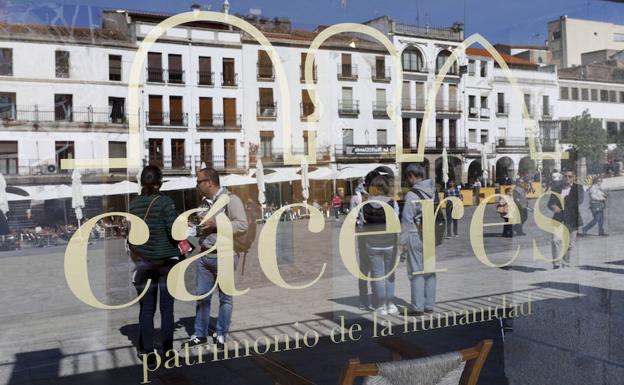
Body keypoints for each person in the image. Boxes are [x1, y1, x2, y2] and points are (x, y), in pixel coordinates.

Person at [187, 167, 248, 349]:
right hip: (204, 255)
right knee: (202, 297)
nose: (196, 185)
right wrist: (193, 228)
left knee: (225, 298)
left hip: (225, 255)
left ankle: (221, 334)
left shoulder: (231, 199)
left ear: (209, 183)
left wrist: (218, 223)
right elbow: (205, 229)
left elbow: (242, 224)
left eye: (199, 182)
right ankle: (200, 334)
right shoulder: (205, 203)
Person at [128, 165, 181, 361]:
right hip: (166, 262)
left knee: (147, 309)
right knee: (167, 309)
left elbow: (133, 234)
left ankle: (147, 351)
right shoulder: (165, 202)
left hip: (144, 262)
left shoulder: (133, 205)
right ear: (159, 182)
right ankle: (167, 351)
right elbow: (174, 230)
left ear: (142, 182)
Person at [400, 164, 436, 315]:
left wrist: (402, 241)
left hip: (416, 235)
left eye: (408, 177)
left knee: (416, 271)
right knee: (430, 271)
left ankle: (417, 306)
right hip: (430, 234)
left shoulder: (412, 195)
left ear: (412, 176)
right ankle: (429, 304)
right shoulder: (433, 191)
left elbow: (407, 219)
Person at [362, 174, 400, 315]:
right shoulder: (392, 203)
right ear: (385, 187)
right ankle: (390, 304)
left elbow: (361, 223)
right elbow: (396, 223)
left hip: (372, 244)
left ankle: (381, 306)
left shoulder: (365, 204)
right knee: (390, 274)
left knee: (378, 275)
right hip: (390, 243)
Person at [548, 169, 584, 269]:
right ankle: (556, 263)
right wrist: (553, 206)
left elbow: (578, 201)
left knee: (569, 244)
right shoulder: (556, 188)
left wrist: (562, 201)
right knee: (555, 240)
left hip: (572, 219)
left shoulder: (578, 188)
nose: (567, 178)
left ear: (574, 177)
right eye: (565, 176)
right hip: (559, 219)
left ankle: (565, 264)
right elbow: (550, 202)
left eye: (570, 176)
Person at [350, 181, 371, 310]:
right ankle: (378, 299)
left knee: (364, 268)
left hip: (363, 234)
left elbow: (353, 216)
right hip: (378, 236)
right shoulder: (377, 197)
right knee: (377, 269)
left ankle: (363, 300)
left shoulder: (355, 197)